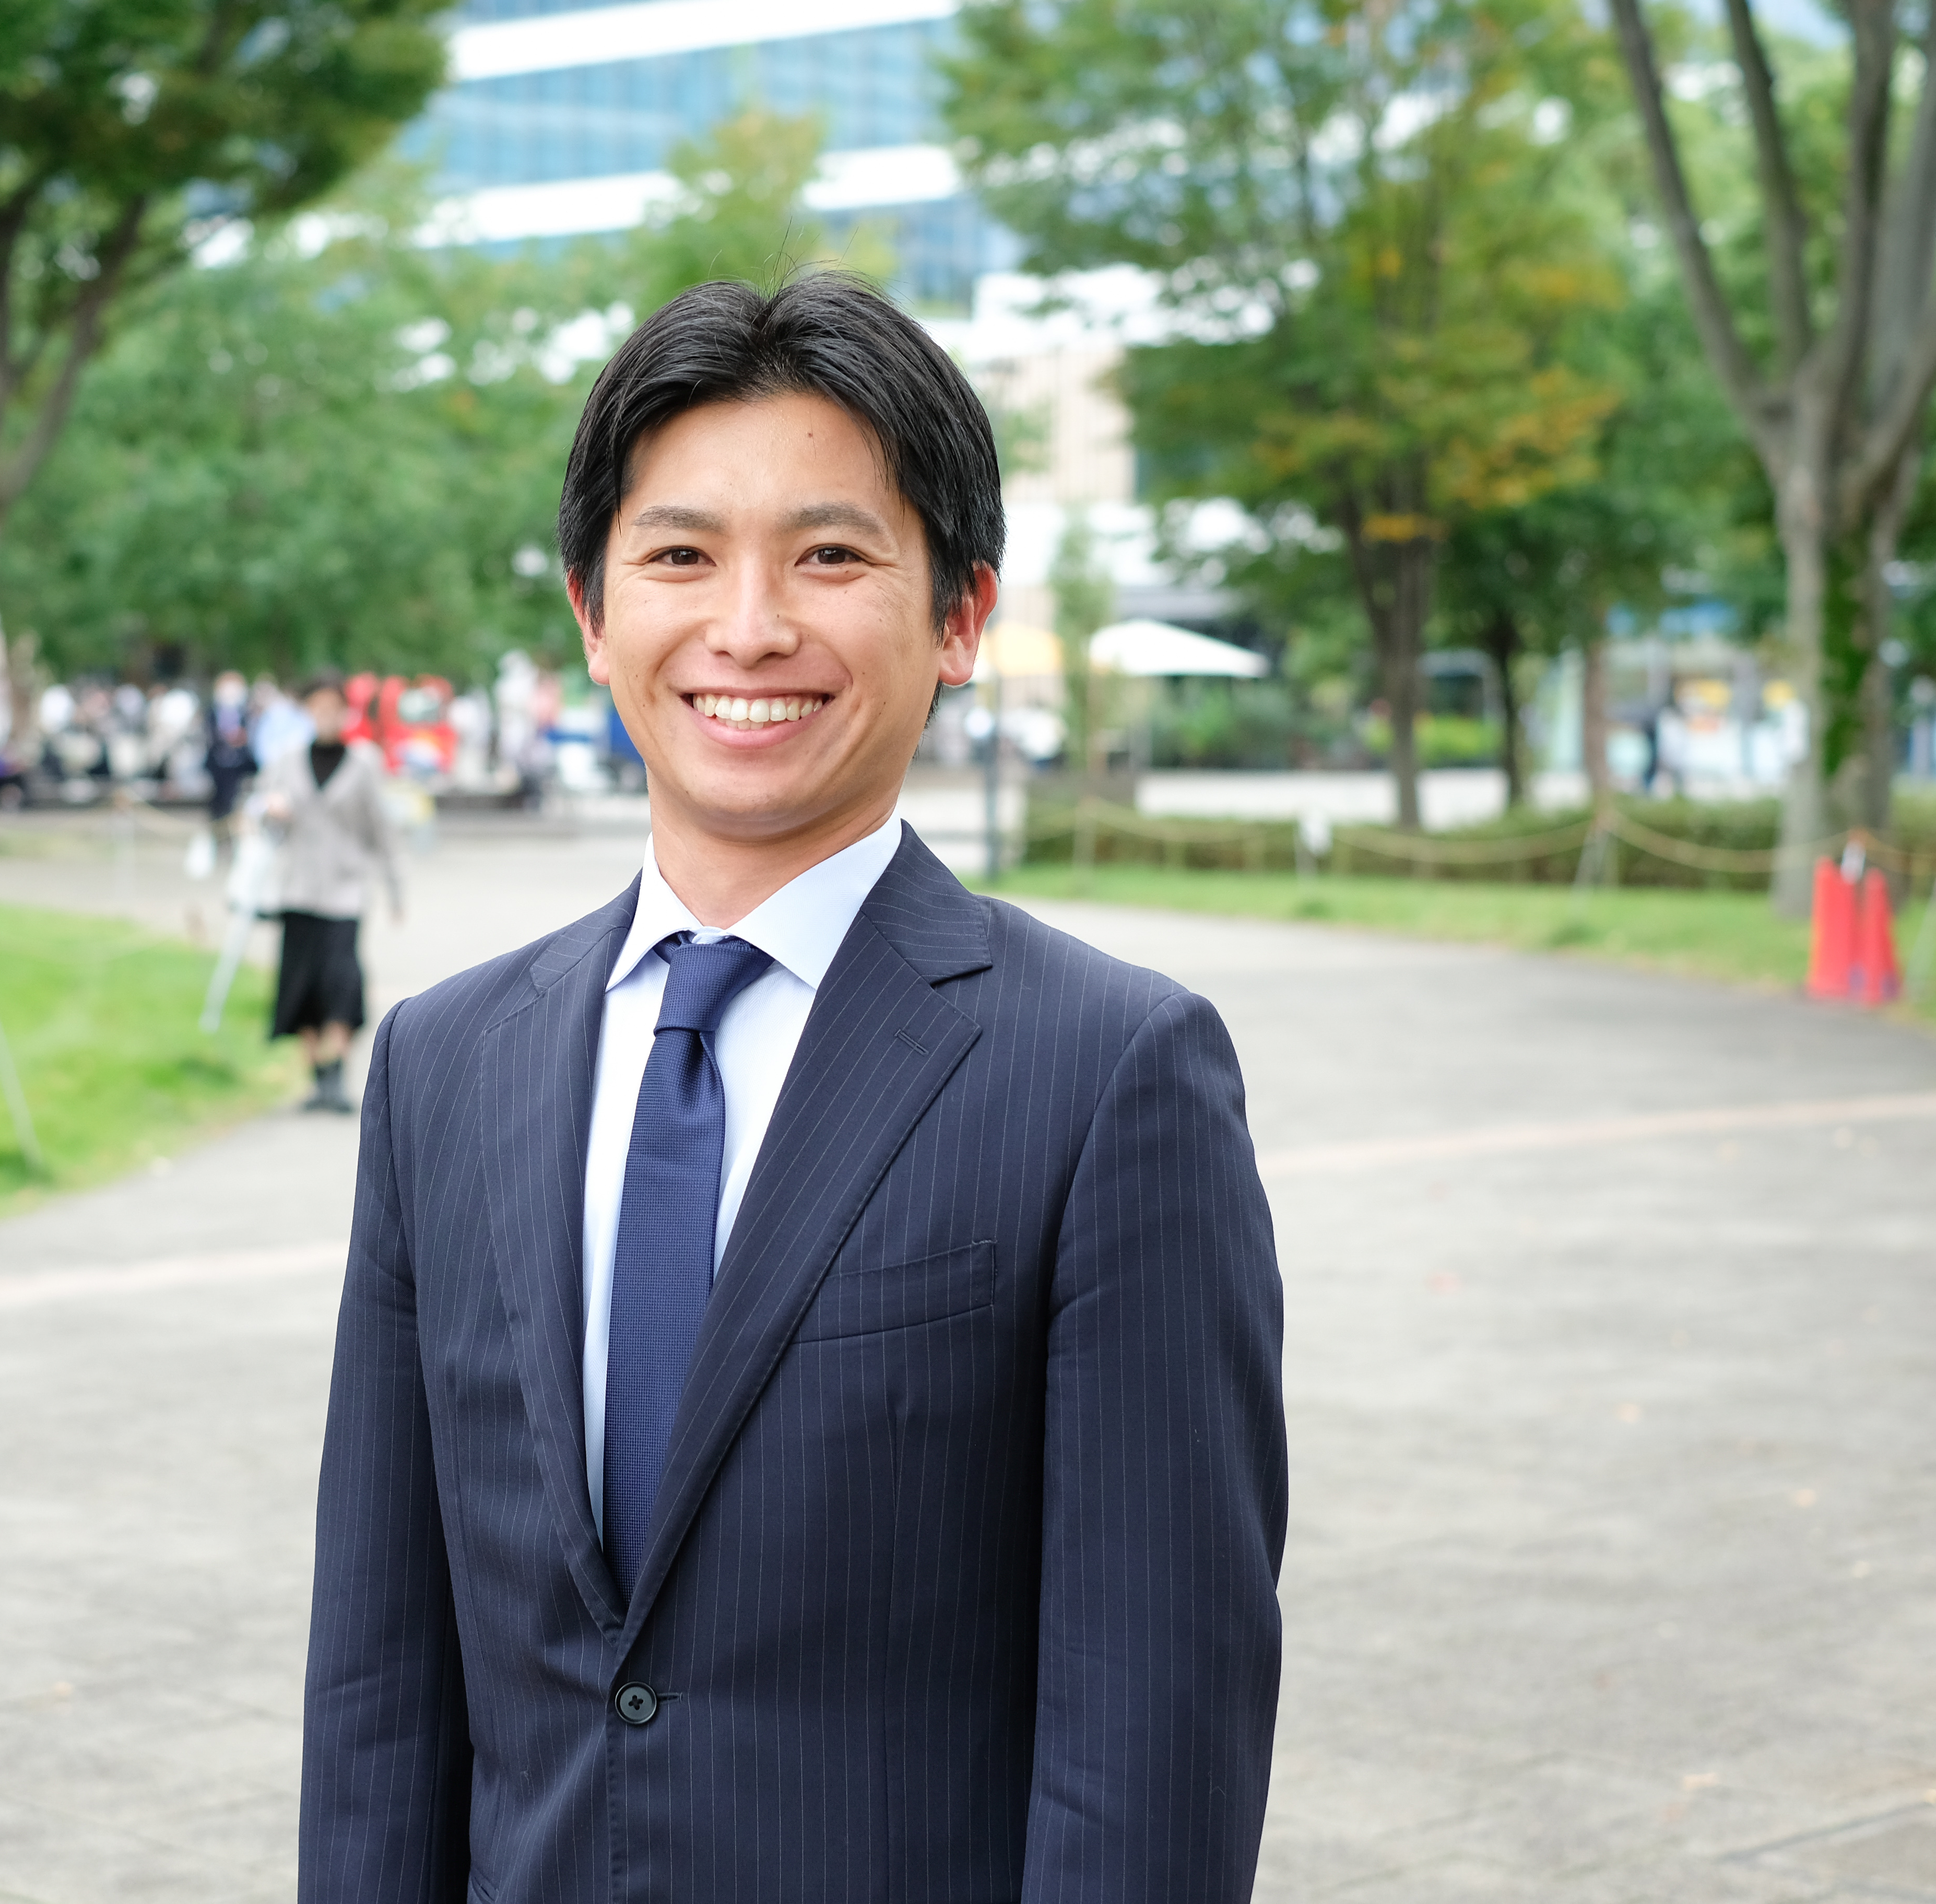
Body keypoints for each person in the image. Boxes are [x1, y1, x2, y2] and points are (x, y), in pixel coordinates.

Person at [300, 275, 1285, 1902]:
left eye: (828, 556)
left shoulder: (1110, 1076)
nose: (747, 627)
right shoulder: (443, 1066)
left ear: (958, 615)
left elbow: (1150, 1745)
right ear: (590, 613)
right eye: (679, 557)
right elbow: (376, 1688)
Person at [261, 669, 402, 1113]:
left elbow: (381, 830)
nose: (325, 715)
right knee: (300, 981)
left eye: (333, 707)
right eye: (317, 707)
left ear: (345, 711)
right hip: (298, 888)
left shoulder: (364, 762)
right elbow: (264, 823)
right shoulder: (286, 760)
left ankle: (338, 1069)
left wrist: (395, 889)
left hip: (345, 890)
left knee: (342, 980)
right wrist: (271, 812)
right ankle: (315, 1076)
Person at [204, 669, 257, 847]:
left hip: (240, 767)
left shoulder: (246, 712)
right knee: (218, 805)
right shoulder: (212, 712)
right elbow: (209, 736)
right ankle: (218, 841)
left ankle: (236, 841)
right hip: (217, 767)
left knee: (237, 803)